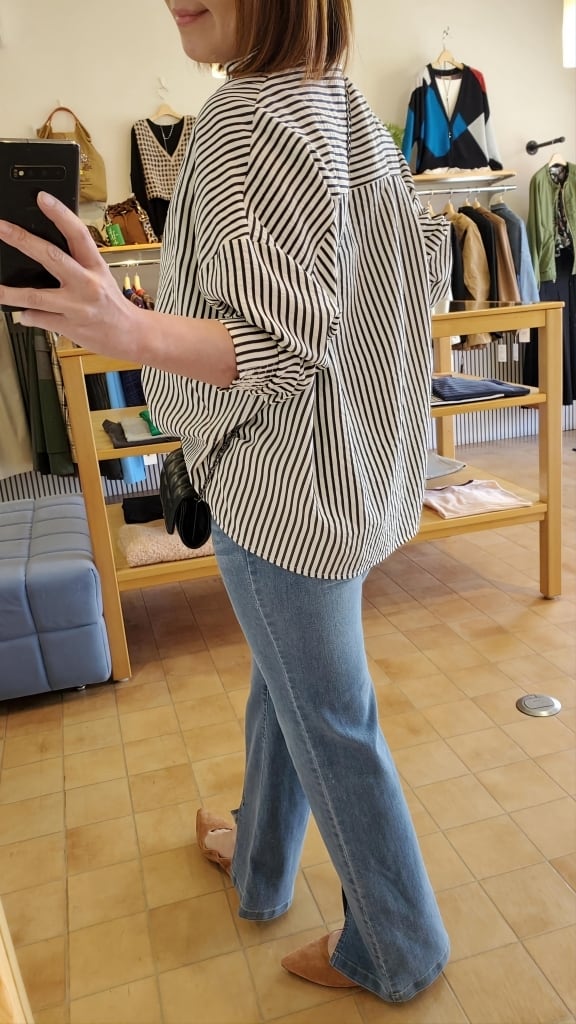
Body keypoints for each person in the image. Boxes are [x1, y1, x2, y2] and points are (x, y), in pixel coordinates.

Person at [0, 0, 452, 1003]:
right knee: (288, 682)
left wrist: (130, 331)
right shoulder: (336, 101)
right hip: (353, 471)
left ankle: (399, 943)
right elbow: (385, 292)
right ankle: (260, 861)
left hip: (282, 490)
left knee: (330, 715)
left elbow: (279, 346)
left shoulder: (245, 115)